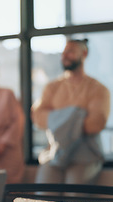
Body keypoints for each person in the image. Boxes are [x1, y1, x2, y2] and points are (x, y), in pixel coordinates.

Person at [32, 39, 110, 186]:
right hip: (55, 152)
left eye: (71, 52)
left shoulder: (99, 89)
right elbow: (38, 117)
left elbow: (95, 124)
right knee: (43, 194)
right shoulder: (52, 87)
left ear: (84, 54)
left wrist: (56, 118)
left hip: (86, 154)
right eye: (64, 52)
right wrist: (77, 115)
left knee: (74, 195)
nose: (65, 56)